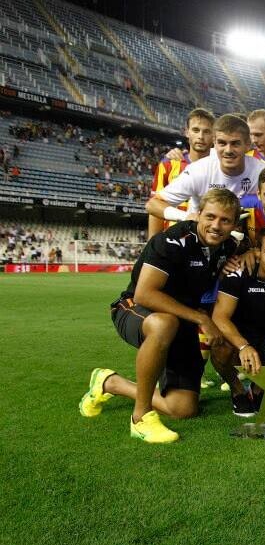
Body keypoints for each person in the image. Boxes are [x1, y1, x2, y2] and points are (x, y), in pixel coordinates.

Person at [79, 189, 241, 443]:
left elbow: (247, 251)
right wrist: (201, 319)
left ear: (234, 224)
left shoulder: (229, 246)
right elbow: (145, 294)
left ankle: (110, 382)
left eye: (225, 220)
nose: (216, 225)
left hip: (182, 322)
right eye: (210, 217)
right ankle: (140, 417)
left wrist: (248, 255)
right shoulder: (172, 241)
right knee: (164, 323)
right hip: (135, 309)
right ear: (198, 214)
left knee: (183, 409)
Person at [210, 223, 265, 416]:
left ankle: (259, 390)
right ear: (258, 252)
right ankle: (237, 391)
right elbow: (219, 317)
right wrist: (243, 346)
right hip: (238, 336)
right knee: (218, 346)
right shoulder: (239, 272)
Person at [146, 114, 265, 223]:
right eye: (222, 143)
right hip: (201, 238)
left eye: (235, 143)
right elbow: (153, 204)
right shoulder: (199, 171)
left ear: (248, 145)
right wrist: (187, 217)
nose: (228, 150)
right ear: (214, 143)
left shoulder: (262, 173)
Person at [147, 107, 214, 239]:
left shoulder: (220, 167)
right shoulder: (168, 164)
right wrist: (151, 246)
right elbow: (155, 208)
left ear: (214, 136)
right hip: (173, 240)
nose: (201, 136)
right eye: (196, 130)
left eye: (206, 132)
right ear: (187, 132)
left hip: (207, 241)